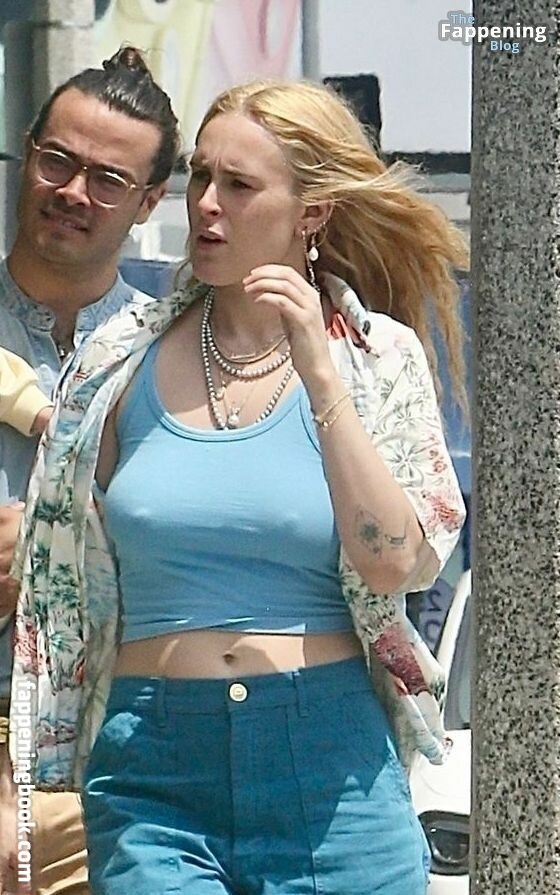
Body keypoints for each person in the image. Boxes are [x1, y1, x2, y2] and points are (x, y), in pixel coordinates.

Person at [11, 79, 467, 895]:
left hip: (330, 766)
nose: (206, 205)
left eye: (240, 185)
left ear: (311, 212)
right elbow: (64, 578)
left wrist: (321, 374)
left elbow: (397, 563)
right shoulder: (117, 360)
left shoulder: (377, 359)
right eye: (199, 176)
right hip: (154, 766)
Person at [0, 46, 181, 895]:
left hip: (132, 773)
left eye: (108, 179)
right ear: (24, 155)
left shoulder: (179, 355)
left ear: (149, 201)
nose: (74, 191)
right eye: (58, 161)